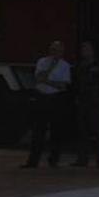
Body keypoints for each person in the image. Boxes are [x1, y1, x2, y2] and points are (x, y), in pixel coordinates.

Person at [22, 40, 72, 168]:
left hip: (55, 99)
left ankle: (53, 160)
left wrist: (47, 81)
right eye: (53, 49)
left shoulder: (65, 65)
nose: (55, 52)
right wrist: (51, 69)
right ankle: (33, 161)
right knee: (38, 131)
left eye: (58, 50)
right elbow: (38, 78)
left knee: (56, 131)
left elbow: (63, 86)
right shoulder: (42, 62)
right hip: (41, 97)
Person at [72, 41, 99, 167]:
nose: (84, 51)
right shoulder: (79, 66)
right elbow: (75, 83)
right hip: (82, 101)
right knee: (82, 131)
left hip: (96, 101)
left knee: (98, 132)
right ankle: (82, 159)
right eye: (83, 48)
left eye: (87, 48)